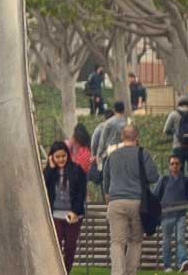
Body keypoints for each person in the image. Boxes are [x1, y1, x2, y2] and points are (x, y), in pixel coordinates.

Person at [100, 125, 160, 275]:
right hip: (138, 202)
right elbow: (154, 177)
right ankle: (130, 272)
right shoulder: (143, 154)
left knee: (117, 242)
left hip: (116, 202)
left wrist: (108, 198)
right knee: (135, 241)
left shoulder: (112, 156)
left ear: (122, 137)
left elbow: (105, 182)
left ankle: (117, 273)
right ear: (137, 138)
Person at [44, 141, 87, 272]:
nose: (61, 159)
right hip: (56, 214)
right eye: (57, 157)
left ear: (67, 155)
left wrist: (75, 211)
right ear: (52, 157)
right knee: (55, 246)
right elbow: (44, 186)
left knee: (70, 247)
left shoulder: (77, 170)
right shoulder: (50, 171)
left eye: (63, 156)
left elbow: (81, 193)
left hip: (73, 215)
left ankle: (65, 271)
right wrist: (50, 167)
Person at [156, 153, 188, 272]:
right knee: (166, 242)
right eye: (172, 164)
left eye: (177, 163)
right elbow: (156, 196)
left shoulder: (185, 180)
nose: (174, 166)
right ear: (169, 166)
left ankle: (183, 261)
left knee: (180, 238)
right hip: (166, 215)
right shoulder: (163, 180)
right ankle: (167, 265)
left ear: (180, 165)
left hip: (181, 215)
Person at [90, 101, 128, 183]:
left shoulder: (109, 122)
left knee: (107, 179)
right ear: (124, 110)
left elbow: (102, 140)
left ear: (114, 110)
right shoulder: (128, 122)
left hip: (109, 153)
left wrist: (98, 155)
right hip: (124, 153)